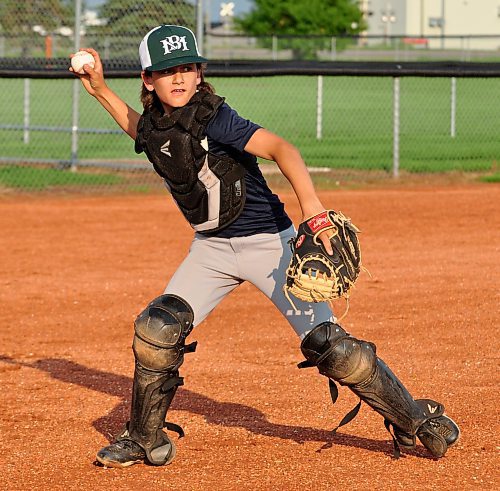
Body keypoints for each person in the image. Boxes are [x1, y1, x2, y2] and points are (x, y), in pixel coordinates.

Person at [71, 25, 459, 469]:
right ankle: (143, 438)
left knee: (332, 348)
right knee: (157, 329)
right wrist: (99, 89)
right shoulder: (160, 123)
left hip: (269, 244)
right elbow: (143, 131)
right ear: (147, 79)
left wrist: (312, 210)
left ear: (199, 74)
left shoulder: (215, 117)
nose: (178, 78)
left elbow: (281, 148)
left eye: (187, 68)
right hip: (211, 250)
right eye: (166, 71)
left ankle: (412, 418)